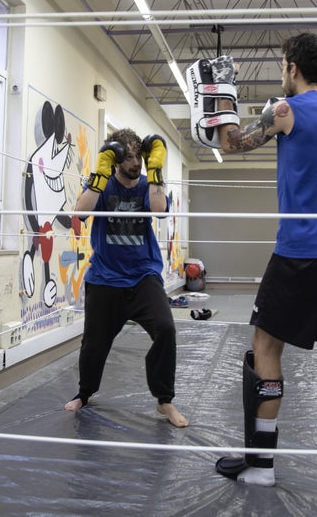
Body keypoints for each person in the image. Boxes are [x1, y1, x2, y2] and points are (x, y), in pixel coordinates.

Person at [187, 33, 317, 507]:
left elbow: (232, 143)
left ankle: (261, 466)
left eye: (284, 66)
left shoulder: (286, 111)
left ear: (291, 67)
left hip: (301, 252)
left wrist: (218, 98)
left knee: (265, 344)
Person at [64, 127, 188, 428]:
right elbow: (79, 213)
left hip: (143, 275)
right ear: (116, 159)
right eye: (128, 157)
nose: (135, 163)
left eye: (139, 156)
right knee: (94, 344)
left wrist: (156, 170)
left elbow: (159, 211)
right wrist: (99, 174)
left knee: (165, 329)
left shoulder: (147, 184)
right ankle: (85, 392)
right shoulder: (103, 186)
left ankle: (164, 401)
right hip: (105, 277)